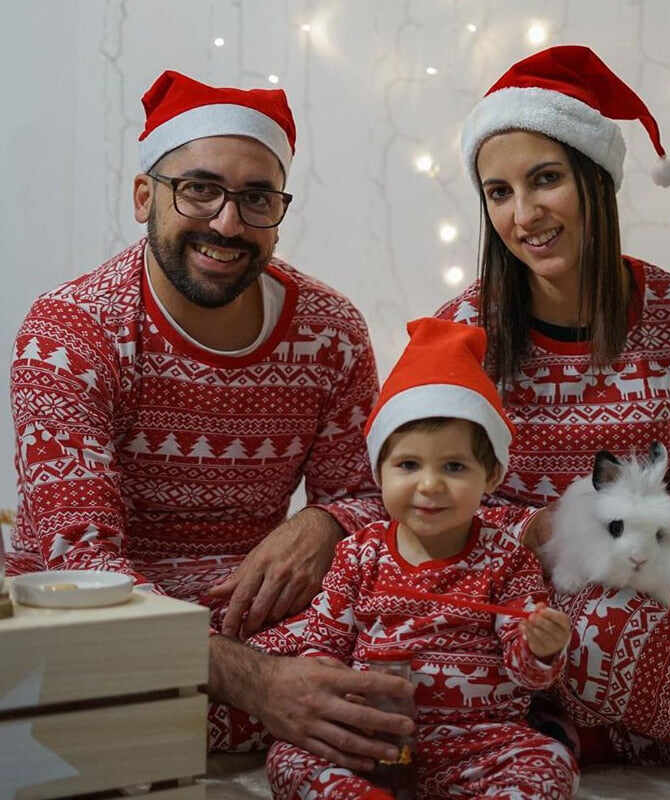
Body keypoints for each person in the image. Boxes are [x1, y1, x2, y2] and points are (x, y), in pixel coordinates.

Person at [6, 69, 415, 764]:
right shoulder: (69, 334)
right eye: (199, 189)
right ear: (145, 197)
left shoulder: (332, 331)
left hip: (259, 614)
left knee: (427, 647)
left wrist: (320, 523)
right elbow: (82, 565)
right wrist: (260, 685)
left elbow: (373, 497)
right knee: (59, 684)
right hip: (95, 618)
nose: (228, 222)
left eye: (257, 198)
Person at [435, 45, 670, 770]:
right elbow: (430, 502)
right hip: (537, 607)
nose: (525, 214)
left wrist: (646, 544)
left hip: (656, 581)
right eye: (499, 192)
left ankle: (626, 719)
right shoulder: (464, 332)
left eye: (545, 180)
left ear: (595, 182)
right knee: (600, 632)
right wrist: (543, 532)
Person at [267, 317, 579, 799]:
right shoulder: (358, 555)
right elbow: (322, 646)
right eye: (408, 465)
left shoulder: (507, 560)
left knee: (548, 762)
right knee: (288, 756)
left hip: (479, 742)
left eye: (454, 466)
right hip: (372, 737)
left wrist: (540, 645)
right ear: (379, 470)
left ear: (491, 476)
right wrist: (336, 694)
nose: (429, 485)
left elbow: (525, 671)